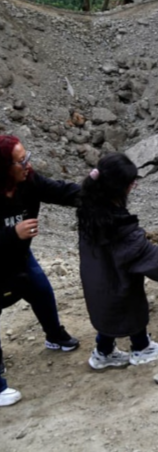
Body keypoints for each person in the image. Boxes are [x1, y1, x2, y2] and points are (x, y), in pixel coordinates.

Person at [78, 153, 158, 370]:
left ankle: (103, 353)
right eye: (131, 182)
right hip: (117, 281)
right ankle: (141, 348)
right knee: (131, 310)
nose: (134, 186)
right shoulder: (118, 225)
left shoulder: (90, 207)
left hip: (96, 277)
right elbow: (146, 254)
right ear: (118, 188)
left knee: (107, 314)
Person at [0, 136, 82, 407]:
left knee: (42, 291)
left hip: (19, 258)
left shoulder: (29, 181)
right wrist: (13, 233)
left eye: (27, 156)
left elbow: (62, 191)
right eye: (21, 160)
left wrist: (99, 192)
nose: (28, 163)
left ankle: (55, 337)